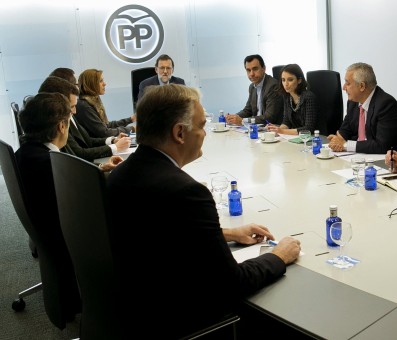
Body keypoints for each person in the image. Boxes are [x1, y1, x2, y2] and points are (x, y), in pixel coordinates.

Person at [106, 84, 301, 337]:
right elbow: (233, 284)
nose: (205, 134)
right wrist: (278, 256)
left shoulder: (120, 174)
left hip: (134, 313)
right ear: (179, 133)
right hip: (180, 319)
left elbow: (162, 235)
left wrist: (228, 233)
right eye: (200, 126)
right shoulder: (186, 192)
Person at [15, 93, 123, 322]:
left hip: (51, 234)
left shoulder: (28, 153)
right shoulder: (47, 163)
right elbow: (87, 204)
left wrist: (98, 171)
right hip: (71, 237)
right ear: (62, 126)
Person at [39, 75, 131, 163]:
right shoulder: (80, 108)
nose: (74, 111)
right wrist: (115, 146)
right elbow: (79, 153)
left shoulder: (71, 113)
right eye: (101, 80)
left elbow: (87, 139)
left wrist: (112, 141)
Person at [328, 62, 397, 154]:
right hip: (359, 156)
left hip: (384, 160)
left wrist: (345, 145)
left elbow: (381, 145)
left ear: (362, 86)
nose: (344, 88)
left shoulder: (386, 104)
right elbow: (345, 130)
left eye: (348, 83)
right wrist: (338, 140)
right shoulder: (353, 102)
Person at [225, 54, 283, 125]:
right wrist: (233, 117)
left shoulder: (273, 86)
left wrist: (243, 121)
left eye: (255, 69)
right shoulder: (252, 87)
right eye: (248, 70)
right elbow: (247, 110)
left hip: (273, 129)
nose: (251, 74)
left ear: (263, 69)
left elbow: (269, 117)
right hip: (257, 128)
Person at [76, 69, 136, 138]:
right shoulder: (85, 106)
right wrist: (132, 128)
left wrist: (131, 119)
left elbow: (105, 125)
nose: (105, 84)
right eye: (100, 81)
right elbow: (104, 132)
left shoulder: (92, 101)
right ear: (91, 84)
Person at [266, 63, 319, 135]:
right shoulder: (287, 96)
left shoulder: (308, 97)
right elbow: (286, 122)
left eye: (290, 80)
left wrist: (282, 131)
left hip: (312, 139)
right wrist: (276, 130)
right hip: (295, 138)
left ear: (299, 80)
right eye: (283, 80)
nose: (286, 84)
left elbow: (309, 128)